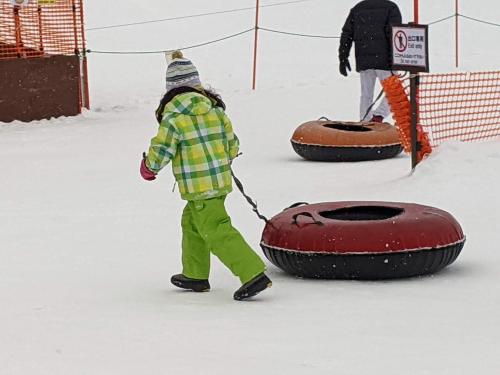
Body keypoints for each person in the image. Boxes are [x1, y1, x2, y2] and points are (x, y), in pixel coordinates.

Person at [140, 50, 272, 301]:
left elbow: (162, 148)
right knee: (192, 224)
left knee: (216, 229)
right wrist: (221, 159)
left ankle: (253, 273)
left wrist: (150, 167)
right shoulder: (215, 111)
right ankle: (195, 274)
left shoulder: (173, 118)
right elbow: (232, 144)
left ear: (170, 90)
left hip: (199, 187)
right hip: (218, 182)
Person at [338, 0, 402, 122]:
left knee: (366, 94)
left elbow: (347, 34)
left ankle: (365, 121)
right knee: (395, 92)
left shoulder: (358, 8)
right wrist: (396, 58)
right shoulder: (391, 7)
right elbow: (395, 34)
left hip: (364, 60)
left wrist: (343, 57)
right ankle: (378, 116)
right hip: (386, 61)